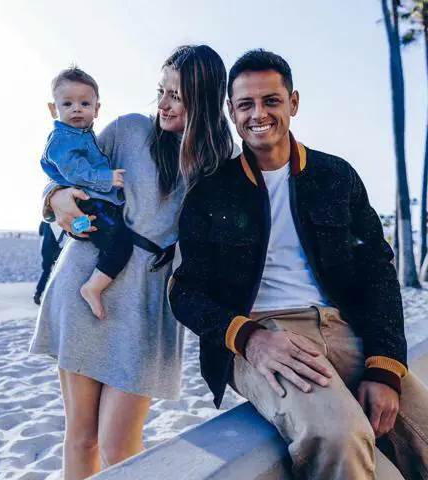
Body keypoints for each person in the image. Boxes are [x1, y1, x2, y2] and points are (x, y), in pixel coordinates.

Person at [169, 49, 428, 479]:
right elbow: (184, 292)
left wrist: (384, 366)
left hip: (342, 326)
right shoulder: (211, 192)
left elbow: (377, 271)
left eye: (271, 100)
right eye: (246, 104)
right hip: (260, 334)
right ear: (231, 111)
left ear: (293, 103)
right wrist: (249, 338)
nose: (258, 114)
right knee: (338, 435)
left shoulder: (336, 176)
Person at [29, 45, 233, 480]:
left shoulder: (221, 164)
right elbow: (64, 169)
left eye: (177, 96)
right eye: (161, 92)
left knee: (120, 446)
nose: (163, 104)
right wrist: (53, 197)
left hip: (149, 301)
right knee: (82, 437)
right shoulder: (128, 130)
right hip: (85, 280)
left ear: (205, 100)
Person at [41, 66, 130, 319]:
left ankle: (78, 230)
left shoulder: (83, 135)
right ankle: (93, 287)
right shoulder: (62, 139)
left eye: (84, 103)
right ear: (53, 109)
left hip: (91, 201)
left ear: (96, 109)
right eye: (67, 104)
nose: (76, 109)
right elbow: (74, 172)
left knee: (103, 229)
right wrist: (107, 178)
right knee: (121, 244)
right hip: (86, 200)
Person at [33, 221, 63, 305]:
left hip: (45, 248)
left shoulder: (45, 219)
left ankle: (38, 293)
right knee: (59, 273)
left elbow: (40, 232)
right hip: (56, 249)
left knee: (46, 272)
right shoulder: (60, 217)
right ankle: (55, 297)